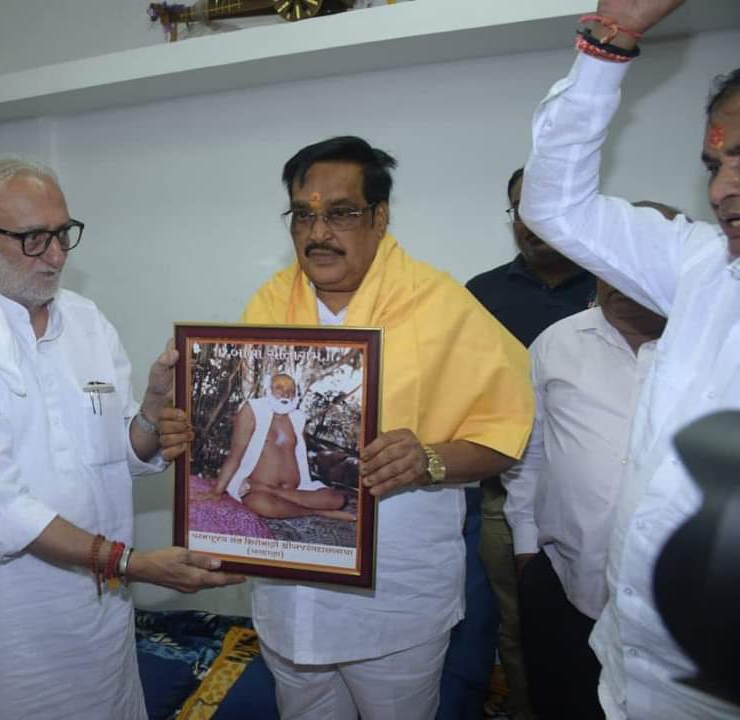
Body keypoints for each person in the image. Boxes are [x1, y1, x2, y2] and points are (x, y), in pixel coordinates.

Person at [161, 136, 534, 720]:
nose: (318, 232)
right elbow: (245, 429)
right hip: (286, 599)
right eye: (303, 214)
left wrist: (428, 460)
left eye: (340, 213)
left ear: (379, 217)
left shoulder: (441, 306)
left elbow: (505, 433)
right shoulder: (269, 304)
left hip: (393, 603)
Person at [0, 155, 244, 720]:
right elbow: (0, 509)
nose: (56, 255)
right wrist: (132, 563)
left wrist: (153, 419)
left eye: (62, 234)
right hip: (2, 630)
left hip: (96, 617)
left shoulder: (85, 320)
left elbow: (117, 455)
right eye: (33, 239)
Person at [520, 2, 740, 716]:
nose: (721, 188)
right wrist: (608, 42)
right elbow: (554, 206)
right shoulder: (703, 264)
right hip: (627, 668)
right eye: (715, 163)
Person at [504, 210, 674, 718]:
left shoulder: (715, 349)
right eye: (609, 262)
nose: (620, 277)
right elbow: (528, 451)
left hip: (679, 603)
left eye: (638, 262)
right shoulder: (556, 343)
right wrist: (525, 546)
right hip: (564, 581)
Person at [448, 167, 597, 720]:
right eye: (519, 209)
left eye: (544, 205)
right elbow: (453, 389)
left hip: (599, 493)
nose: (531, 222)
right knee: (512, 628)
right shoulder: (481, 295)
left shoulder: (617, 286)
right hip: (498, 497)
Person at [200, 372, 354, 521]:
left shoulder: (297, 418)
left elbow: (298, 457)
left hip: (291, 490)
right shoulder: (252, 410)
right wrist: (217, 491)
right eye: (279, 388)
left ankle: (268, 491)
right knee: (259, 503)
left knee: (337, 499)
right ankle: (316, 512)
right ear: (268, 390)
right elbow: (235, 455)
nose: (286, 394)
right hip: (259, 493)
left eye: (291, 391)